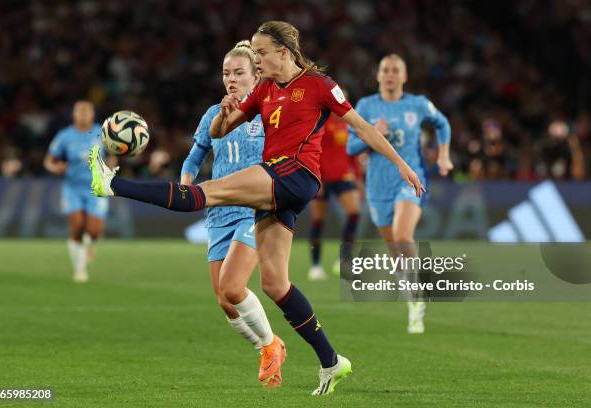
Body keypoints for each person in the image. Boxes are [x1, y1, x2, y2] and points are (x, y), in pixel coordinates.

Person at [89, 21, 424, 395]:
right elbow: (220, 130)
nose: (257, 59)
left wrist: (401, 163)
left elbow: (362, 128)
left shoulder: (319, 85)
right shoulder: (264, 89)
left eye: (261, 52)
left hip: (294, 174)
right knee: (274, 285)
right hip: (279, 187)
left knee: (201, 194)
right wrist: (224, 112)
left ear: (284, 52)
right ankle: (332, 361)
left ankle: (112, 183)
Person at [180, 40, 282, 387]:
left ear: (257, 75)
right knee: (224, 302)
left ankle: (270, 347)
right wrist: (185, 184)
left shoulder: (268, 113)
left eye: (239, 72)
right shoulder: (213, 114)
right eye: (226, 73)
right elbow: (194, 158)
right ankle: (267, 346)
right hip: (218, 211)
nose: (231, 79)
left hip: (254, 210)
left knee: (233, 286)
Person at [347, 54, 452, 334]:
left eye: (396, 70)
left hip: (410, 178)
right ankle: (412, 300)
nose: (390, 74)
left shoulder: (417, 104)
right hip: (378, 185)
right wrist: (372, 133)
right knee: (394, 247)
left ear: (404, 77)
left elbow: (442, 123)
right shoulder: (366, 106)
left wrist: (443, 156)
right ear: (378, 76)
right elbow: (350, 148)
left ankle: (417, 292)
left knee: (403, 235)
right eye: (385, 70)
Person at [44, 100, 109, 283]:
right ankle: (80, 270)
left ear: (92, 114)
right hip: (72, 187)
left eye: (87, 111)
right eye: (79, 111)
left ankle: (91, 242)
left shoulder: (102, 133)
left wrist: (112, 165)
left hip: (97, 187)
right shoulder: (65, 136)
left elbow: (114, 155)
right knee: (77, 226)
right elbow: (48, 160)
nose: (83, 114)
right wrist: (55, 167)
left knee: (94, 231)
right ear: (73, 115)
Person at [308, 110, 362, 281]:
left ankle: (344, 259)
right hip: (322, 179)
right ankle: (315, 266)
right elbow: (313, 150)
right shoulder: (321, 122)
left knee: (354, 213)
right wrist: (316, 178)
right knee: (318, 220)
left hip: (344, 176)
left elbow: (353, 153)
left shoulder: (349, 124)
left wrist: (359, 179)